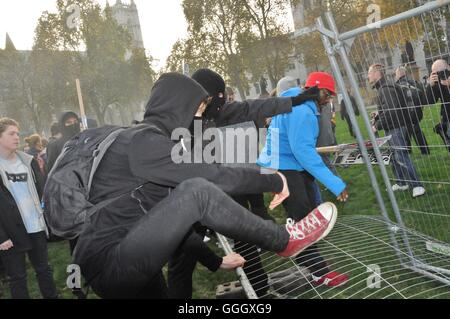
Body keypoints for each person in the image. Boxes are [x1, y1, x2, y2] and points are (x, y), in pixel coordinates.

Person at [72, 73, 338, 299]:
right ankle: (285, 240)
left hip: (128, 253)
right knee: (197, 190)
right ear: (178, 107)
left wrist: (216, 261)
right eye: (198, 111)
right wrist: (273, 179)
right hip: (109, 260)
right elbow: (209, 179)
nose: (200, 118)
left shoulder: (153, 142)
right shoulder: (146, 144)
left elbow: (174, 222)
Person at [167, 70, 321, 299]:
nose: (222, 104)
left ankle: (258, 290)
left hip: (217, 189)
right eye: (216, 98)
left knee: (244, 235)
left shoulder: (218, 112)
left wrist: (295, 100)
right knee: (183, 260)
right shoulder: (179, 122)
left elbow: (255, 107)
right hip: (183, 199)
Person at [258, 72, 350, 287]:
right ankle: (319, 273)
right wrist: (336, 183)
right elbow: (304, 152)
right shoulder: (303, 111)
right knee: (302, 221)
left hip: (282, 164)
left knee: (304, 215)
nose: (328, 99)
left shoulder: (296, 101)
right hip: (283, 167)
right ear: (315, 89)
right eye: (327, 94)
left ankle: (310, 262)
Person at [0, 118, 58, 299]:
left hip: (35, 226)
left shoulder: (28, 162)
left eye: (17, 133)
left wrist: (44, 215)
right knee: (17, 278)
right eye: (11, 133)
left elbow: (41, 192)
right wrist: (1, 236)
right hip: (10, 232)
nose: (17, 137)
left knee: (44, 270)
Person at [368, 64, 425, 198]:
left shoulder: (385, 88)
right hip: (394, 126)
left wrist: (377, 125)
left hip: (396, 127)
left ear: (377, 73)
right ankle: (401, 182)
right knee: (394, 156)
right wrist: (378, 113)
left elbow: (391, 111)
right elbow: (390, 107)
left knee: (401, 156)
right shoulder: (385, 87)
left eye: (369, 73)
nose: (368, 76)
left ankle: (417, 185)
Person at [395, 66, 430, 155]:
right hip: (417, 113)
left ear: (398, 74)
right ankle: (425, 151)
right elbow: (423, 97)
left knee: (405, 133)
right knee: (416, 131)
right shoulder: (416, 83)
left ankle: (407, 152)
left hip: (404, 114)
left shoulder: (397, 86)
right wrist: (420, 108)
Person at [425, 59, 450, 153]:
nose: (440, 75)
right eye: (436, 73)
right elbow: (429, 101)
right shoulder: (438, 82)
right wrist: (430, 86)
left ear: (447, 67)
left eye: (441, 72)